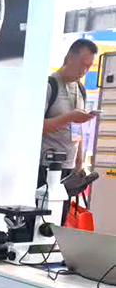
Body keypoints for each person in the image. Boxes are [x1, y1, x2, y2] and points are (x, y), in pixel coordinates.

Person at [41, 38, 99, 208]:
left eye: (88, 67)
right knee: (42, 216)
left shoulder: (80, 89)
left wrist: (79, 163)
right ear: (68, 58)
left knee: (62, 216)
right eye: (82, 64)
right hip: (45, 166)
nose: (84, 71)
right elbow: (35, 127)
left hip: (69, 168)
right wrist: (70, 117)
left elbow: (76, 129)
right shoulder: (49, 85)